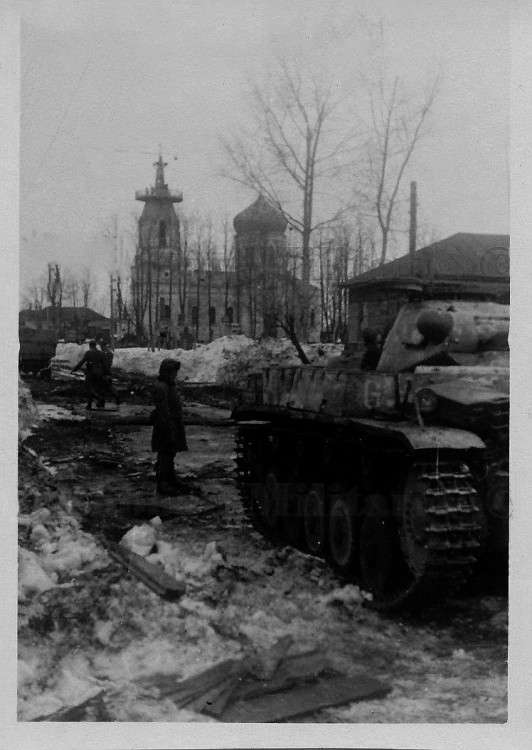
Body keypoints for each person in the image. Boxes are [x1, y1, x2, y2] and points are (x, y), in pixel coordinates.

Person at [151, 359, 188, 495]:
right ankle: (163, 483)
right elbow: (163, 410)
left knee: (170, 453)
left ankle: (171, 479)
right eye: (173, 372)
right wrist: (170, 428)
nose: (175, 375)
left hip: (172, 425)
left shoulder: (168, 385)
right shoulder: (161, 387)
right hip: (166, 427)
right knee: (164, 454)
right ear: (166, 372)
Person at [72, 340, 106, 409]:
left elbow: (82, 362)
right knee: (99, 388)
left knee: (89, 388)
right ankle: (101, 403)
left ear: (90, 346)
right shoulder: (101, 353)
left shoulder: (88, 353)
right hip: (99, 373)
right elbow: (104, 365)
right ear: (95, 345)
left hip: (91, 373)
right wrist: (105, 373)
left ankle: (90, 404)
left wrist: (74, 369)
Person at [101, 341, 121, 406]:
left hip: (105, 372)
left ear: (103, 346)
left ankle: (102, 402)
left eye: (101, 346)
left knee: (105, 387)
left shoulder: (104, 353)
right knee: (107, 386)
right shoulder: (109, 353)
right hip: (108, 372)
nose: (100, 348)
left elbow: (105, 364)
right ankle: (117, 397)